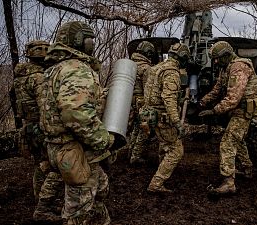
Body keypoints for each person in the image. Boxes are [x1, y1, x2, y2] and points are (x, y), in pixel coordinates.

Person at [39, 21, 114, 225]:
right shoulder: (77, 68)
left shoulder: (54, 69)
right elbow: (75, 114)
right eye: (90, 38)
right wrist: (104, 140)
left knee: (100, 189)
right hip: (76, 149)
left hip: (58, 146)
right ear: (80, 41)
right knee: (78, 210)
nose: (92, 43)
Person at [198, 41, 257, 194]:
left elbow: (233, 98)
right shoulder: (226, 68)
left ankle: (228, 182)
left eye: (217, 59)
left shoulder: (239, 67)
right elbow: (217, 89)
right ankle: (247, 169)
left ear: (226, 55)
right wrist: (202, 102)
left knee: (227, 142)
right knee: (237, 139)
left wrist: (214, 111)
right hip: (238, 110)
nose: (215, 62)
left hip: (244, 110)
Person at [12, 40, 63, 221]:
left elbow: (15, 105)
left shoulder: (19, 78)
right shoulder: (39, 78)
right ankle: (44, 206)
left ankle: (39, 199)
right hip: (40, 126)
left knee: (40, 164)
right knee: (52, 166)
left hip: (28, 127)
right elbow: (45, 107)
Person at [142, 43, 190, 193]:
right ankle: (156, 183)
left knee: (164, 144)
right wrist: (177, 122)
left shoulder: (156, 68)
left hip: (150, 115)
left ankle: (162, 167)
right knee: (176, 150)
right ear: (182, 57)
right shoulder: (171, 72)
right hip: (163, 117)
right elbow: (168, 99)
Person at [128, 41, 155, 166]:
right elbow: (148, 89)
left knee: (136, 128)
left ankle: (130, 151)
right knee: (144, 129)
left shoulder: (131, 65)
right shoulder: (146, 68)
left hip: (131, 100)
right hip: (142, 101)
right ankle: (136, 156)